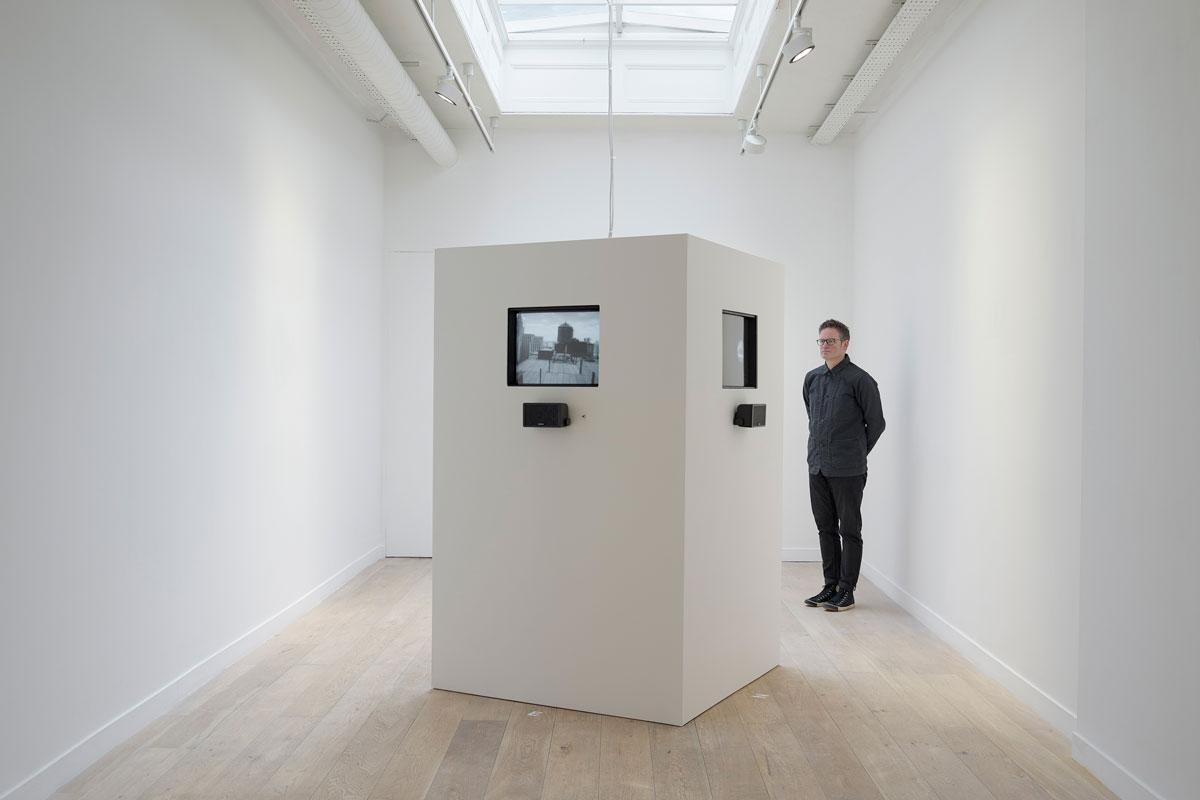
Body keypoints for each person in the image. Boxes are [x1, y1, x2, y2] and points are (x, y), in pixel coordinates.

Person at [802, 319, 885, 612]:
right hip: (818, 467)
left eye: (831, 341)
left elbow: (876, 424)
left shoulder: (861, 380)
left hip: (848, 469)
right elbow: (812, 416)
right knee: (825, 528)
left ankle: (847, 589)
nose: (825, 346)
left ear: (845, 344)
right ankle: (830, 585)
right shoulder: (812, 378)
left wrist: (855, 452)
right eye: (821, 341)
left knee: (849, 530)